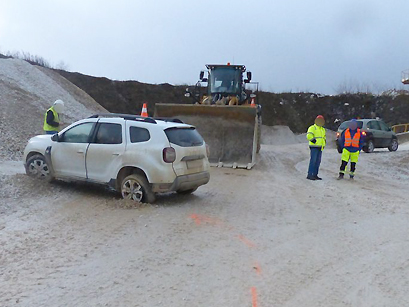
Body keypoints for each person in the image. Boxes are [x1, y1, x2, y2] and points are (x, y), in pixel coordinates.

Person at [306, 115, 326, 180]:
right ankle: (310, 175)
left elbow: (324, 138)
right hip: (314, 147)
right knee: (313, 161)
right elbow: (308, 135)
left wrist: (324, 144)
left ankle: (315, 175)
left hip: (320, 147)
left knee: (318, 161)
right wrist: (313, 140)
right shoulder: (312, 128)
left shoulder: (323, 129)